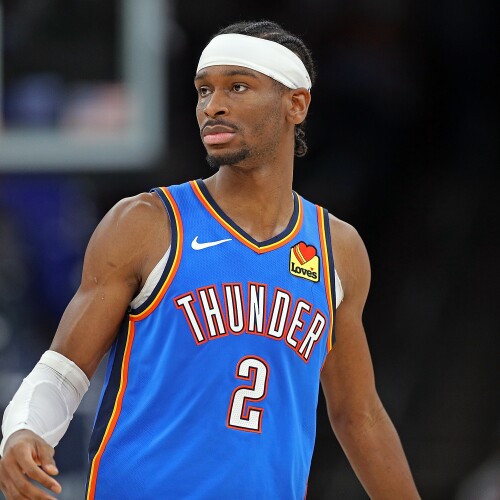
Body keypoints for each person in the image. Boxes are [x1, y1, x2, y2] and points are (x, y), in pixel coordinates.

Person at [0, 20, 420, 499]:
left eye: (237, 87)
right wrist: (24, 430)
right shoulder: (147, 223)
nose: (212, 106)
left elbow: (358, 415)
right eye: (204, 90)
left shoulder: (336, 249)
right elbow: (63, 371)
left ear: (296, 104)